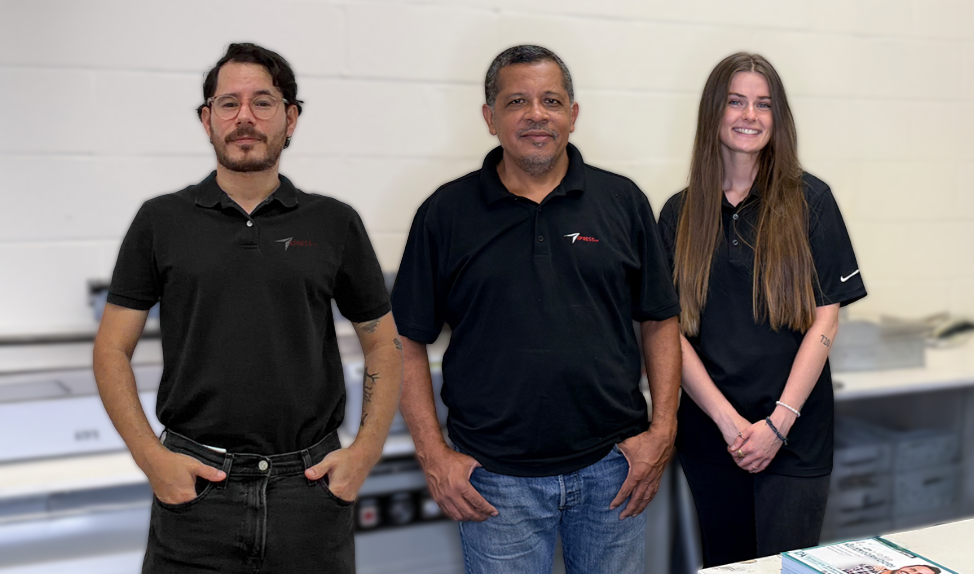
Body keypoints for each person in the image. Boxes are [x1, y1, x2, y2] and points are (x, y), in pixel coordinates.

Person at [93, 43, 402, 573]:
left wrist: (362, 455)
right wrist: (154, 460)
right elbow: (111, 349)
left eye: (263, 102)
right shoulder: (160, 221)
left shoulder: (334, 223)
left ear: (291, 117)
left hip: (308, 494)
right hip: (194, 494)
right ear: (206, 120)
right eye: (228, 103)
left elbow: (384, 344)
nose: (245, 118)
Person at [391, 45, 682, 574]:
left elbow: (660, 320)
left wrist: (662, 432)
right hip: (495, 481)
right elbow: (404, 341)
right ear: (490, 117)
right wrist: (433, 455)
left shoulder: (622, 202)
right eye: (517, 101)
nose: (536, 114)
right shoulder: (445, 214)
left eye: (551, 100)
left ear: (573, 114)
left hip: (613, 469)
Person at [657, 52, 867, 567]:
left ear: (778, 119)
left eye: (763, 104)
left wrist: (778, 423)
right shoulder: (679, 214)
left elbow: (826, 317)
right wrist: (729, 423)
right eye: (736, 101)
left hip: (795, 435)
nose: (749, 115)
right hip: (713, 435)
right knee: (726, 562)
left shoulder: (809, 201)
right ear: (714, 112)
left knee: (786, 564)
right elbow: (668, 331)